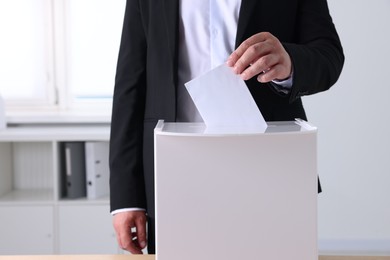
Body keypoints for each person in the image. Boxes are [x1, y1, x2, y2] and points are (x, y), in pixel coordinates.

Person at [109, 0, 344, 255]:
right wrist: (126, 197)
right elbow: (131, 80)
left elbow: (328, 55)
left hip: (272, 169)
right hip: (172, 171)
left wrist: (289, 62)